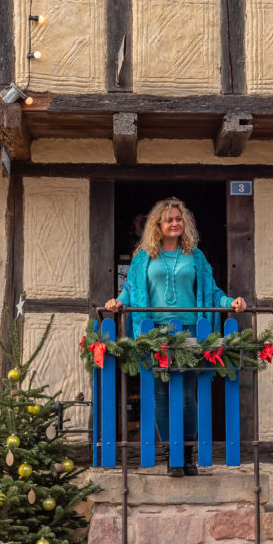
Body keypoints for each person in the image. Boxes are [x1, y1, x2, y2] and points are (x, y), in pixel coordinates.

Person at [105, 197, 246, 477]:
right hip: (154, 331)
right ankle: (172, 456)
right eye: (169, 219)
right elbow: (131, 290)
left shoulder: (196, 255)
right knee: (160, 394)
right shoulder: (143, 256)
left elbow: (212, 291)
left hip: (191, 330)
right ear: (158, 224)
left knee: (186, 395)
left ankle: (189, 453)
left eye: (178, 219)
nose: (174, 223)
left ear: (185, 223)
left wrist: (230, 302)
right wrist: (117, 303)